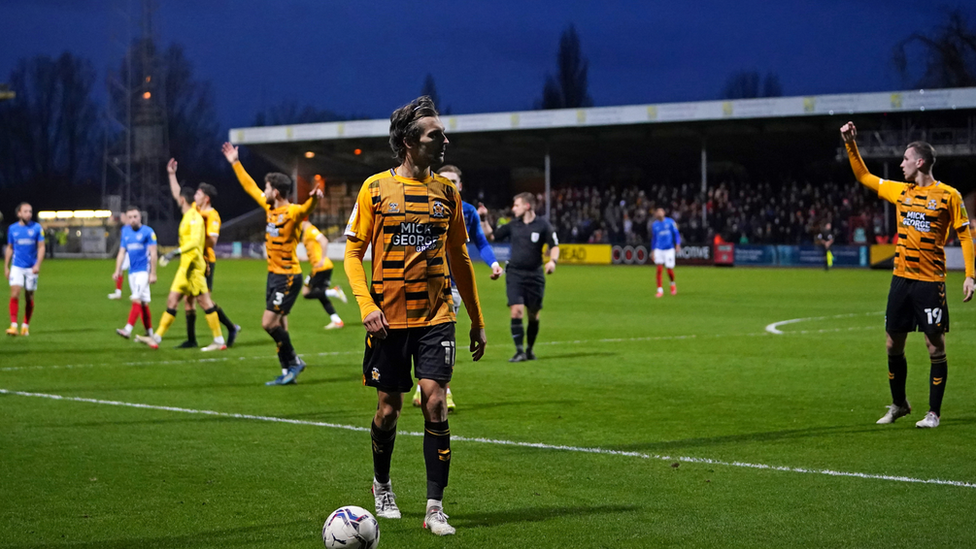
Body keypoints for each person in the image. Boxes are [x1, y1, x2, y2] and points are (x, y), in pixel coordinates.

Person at [343, 96, 486, 536]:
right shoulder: (373, 189)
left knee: (436, 401)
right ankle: (382, 485)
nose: (445, 140)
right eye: (435, 135)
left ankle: (434, 507)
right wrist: (367, 307)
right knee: (388, 409)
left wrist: (477, 319)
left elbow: (460, 258)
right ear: (409, 142)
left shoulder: (449, 194)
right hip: (387, 318)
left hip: (436, 315)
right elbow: (352, 253)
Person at [841, 121, 974, 429]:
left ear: (920, 162)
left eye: (905, 159)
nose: (900, 164)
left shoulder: (949, 196)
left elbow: (965, 236)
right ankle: (900, 404)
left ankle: (933, 413)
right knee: (892, 344)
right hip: (901, 279)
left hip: (930, 282)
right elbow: (864, 176)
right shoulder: (901, 192)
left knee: (934, 346)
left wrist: (970, 275)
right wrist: (850, 143)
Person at [222, 142, 323, 385]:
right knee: (280, 324)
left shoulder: (292, 212)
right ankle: (288, 370)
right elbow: (248, 186)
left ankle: (295, 362)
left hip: (288, 277)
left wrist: (315, 199)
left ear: (276, 191)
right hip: (273, 275)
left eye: (267, 187)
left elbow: (307, 207)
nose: (263, 190)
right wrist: (235, 162)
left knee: (268, 323)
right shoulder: (269, 208)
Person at [411, 164, 502, 410]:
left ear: (460, 185)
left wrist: (493, 263)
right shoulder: (421, 205)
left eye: (454, 180)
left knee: (442, 339)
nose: (449, 184)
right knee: (422, 339)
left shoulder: (468, 211)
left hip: (452, 286)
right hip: (421, 283)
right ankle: (424, 385)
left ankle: (442, 389)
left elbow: (481, 242)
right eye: (445, 179)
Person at [134, 186, 227, 352]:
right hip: (185, 266)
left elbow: (194, 242)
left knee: (204, 301)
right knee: (172, 300)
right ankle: (156, 338)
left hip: (194, 267)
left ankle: (219, 340)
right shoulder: (188, 216)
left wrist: (174, 252)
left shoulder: (194, 218)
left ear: (182, 200)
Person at [163, 159, 241, 348]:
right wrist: (172, 174)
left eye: (198, 193)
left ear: (206, 198)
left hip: (205, 262)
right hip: (192, 260)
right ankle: (191, 339)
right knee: (189, 301)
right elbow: (178, 195)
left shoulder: (212, 215)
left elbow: (212, 240)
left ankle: (230, 328)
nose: (194, 196)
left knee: (203, 300)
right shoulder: (194, 210)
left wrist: (194, 242)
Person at [490, 192, 559, 362]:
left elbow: (554, 245)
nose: (513, 209)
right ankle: (519, 351)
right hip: (515, 274)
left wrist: (553, 262)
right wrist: (484, 220)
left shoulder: (543, 225)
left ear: (527, 206)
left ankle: (529, 349)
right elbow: (491, 236)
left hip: (535, 275)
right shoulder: (513, 225)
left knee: (533, 315)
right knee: (516, 311)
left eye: (516, 205)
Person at [113, 206, 157, 339]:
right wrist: (117, 270)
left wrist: (153, 273)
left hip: (143, 272)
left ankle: (127, 329)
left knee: (136, 299)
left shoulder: (148, 232)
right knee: (143, 303)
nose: (133, 219)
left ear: (140, 217)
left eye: (135, 217)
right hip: (132, 272)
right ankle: (150, 333)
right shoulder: (126, 233)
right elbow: (121, 252)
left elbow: (153, 252)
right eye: (130, 217)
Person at [4, 202, 44, 336]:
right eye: (26, 211)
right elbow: (10, 248)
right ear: (19, 214)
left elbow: (41, 247)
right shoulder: (12, 229)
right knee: (15, 293)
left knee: (29, 297)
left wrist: (37, 264)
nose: (29, 214)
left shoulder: (37, 228)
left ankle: (25, 325)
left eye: (30, 211)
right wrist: (6, 267)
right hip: (17, 266)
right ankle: (13, 325)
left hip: (31, 268)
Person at [300, 219, 347, 329]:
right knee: (321, 294)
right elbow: (314, 251)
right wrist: (304, 258)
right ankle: (336, 320)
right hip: (321, 267)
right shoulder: (307, 233)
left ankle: (333, 292)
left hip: (321, 267)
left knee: (306, 293)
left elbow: (324, 240)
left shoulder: (310, 230)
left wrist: (322, 259)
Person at [650, 208, 681, 298]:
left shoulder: (670, 222)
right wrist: (653, 251)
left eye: (661, 212)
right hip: (659, 249)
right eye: (657, 212)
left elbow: (676, 233)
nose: (659, 213)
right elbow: (654, 239)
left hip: (669, 249)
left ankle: (672, 284)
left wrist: (678, 244)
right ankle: (659, 290)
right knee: (659, 269)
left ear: (664, 213)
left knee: (669, 270)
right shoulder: (654, 225)